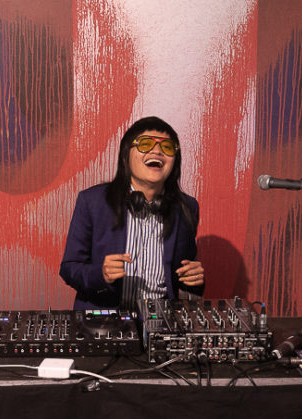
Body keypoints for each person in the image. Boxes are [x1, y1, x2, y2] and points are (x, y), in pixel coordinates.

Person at [59, 116, 204, 310]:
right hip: (106, 319)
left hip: (162, 317)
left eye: (167, 147)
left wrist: (194, 279)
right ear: (126, 154)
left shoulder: (187, 206)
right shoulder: (92, 201)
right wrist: (100, 274)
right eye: (145, 144)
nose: (157, 151)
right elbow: (69, 268)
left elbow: (185, 276)